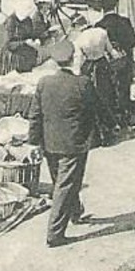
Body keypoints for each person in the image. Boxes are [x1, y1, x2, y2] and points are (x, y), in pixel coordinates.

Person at [28, 39, 106, 246]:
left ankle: (75, 212)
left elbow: (35, 115)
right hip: (74, 143)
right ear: (73, 59)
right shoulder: (82, 83)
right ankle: (54, 233)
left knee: (60, 181)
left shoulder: (44, 83)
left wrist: (34, 142)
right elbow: (97, 109)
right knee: (65, 185)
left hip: (50, 142)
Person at [89, 0, 135, 129]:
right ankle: (125, 117)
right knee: (124, 88)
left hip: (107, 63)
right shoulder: (124, 21)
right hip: (125, 62)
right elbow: (133, 41)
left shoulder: (99, 25)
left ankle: (112, 119)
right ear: (115, 4)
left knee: (109, 89)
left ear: (102, 7)